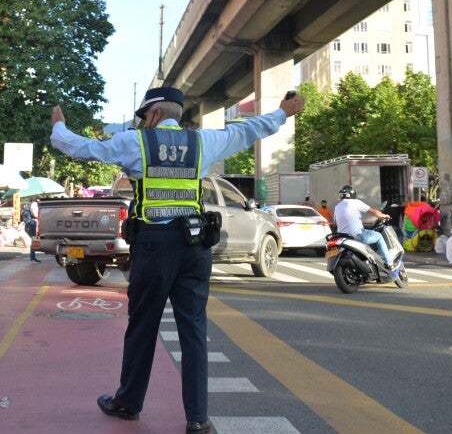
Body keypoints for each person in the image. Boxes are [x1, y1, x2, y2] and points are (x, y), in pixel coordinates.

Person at [50, 86, 305, 433]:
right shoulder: (203, 142)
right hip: (194, 245)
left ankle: (128, 403)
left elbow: (81, 147)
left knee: (143, 326)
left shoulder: (135, 143)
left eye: (144, 118)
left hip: (154, 246)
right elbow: (248, 130)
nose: (142, 124)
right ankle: (198, 420)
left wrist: (59, 127)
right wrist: (282, 113)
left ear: (154, 114)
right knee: (194, 331)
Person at [333, 184, 395, 273]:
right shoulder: (356, 202)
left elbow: (335, 222)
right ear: (352, 194)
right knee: (378, 236)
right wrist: (384, 216)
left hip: (343, 237)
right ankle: (389, 263)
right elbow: (374, 212)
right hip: (356, 235)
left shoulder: (337, 207)